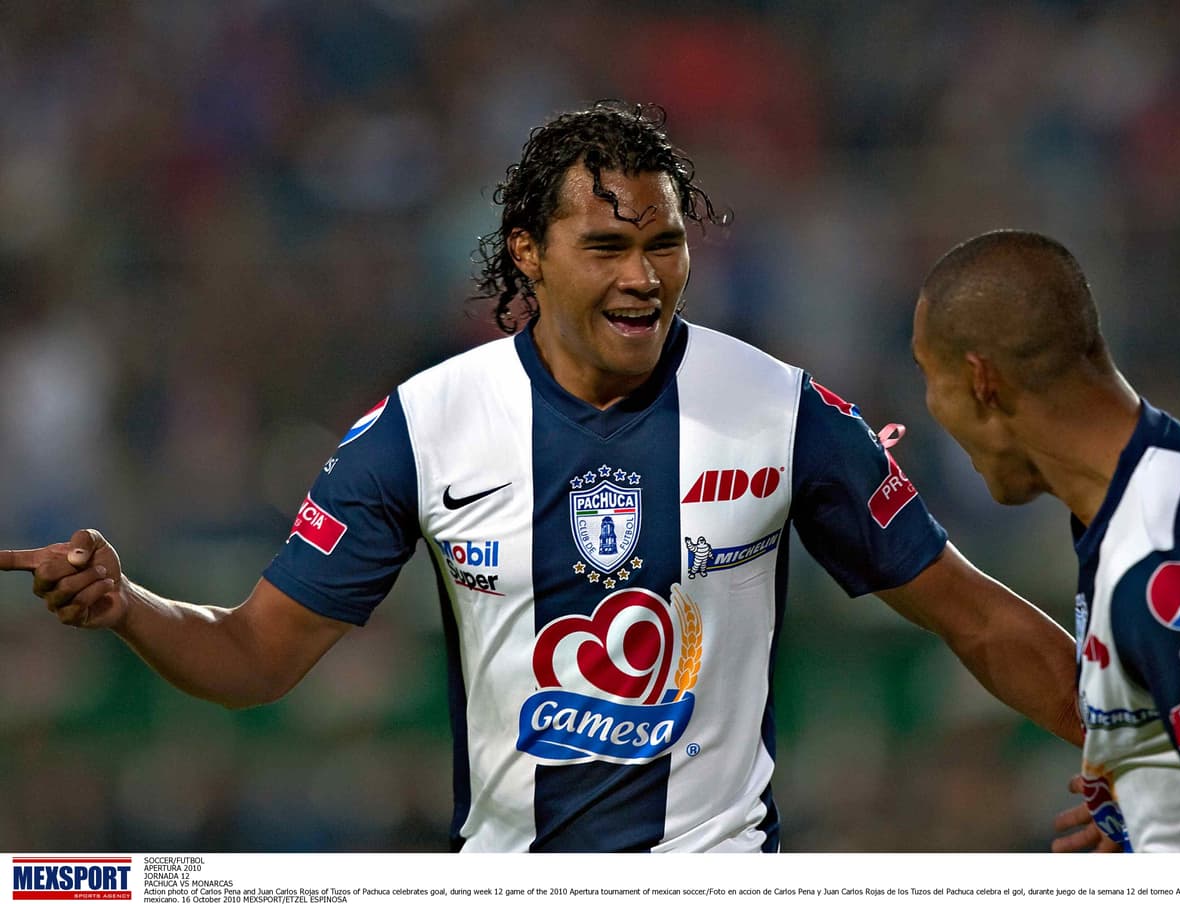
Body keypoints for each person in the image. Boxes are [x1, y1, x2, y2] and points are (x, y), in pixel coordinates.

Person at [1, 102, 1082, 853]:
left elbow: (975, 620)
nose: (644, 275)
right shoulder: (422, 427)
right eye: (607, 245)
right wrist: (129, 607)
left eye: (663, 243)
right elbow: (254, 655)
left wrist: (1155, 756)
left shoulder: (779, 411)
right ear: (526, 251)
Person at [910, 228, 1180, 852]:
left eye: (929, 377)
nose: (928, 406)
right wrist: (1152, 800)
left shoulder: (1161, 556)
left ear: (982, 382)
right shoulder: (1175, 469)